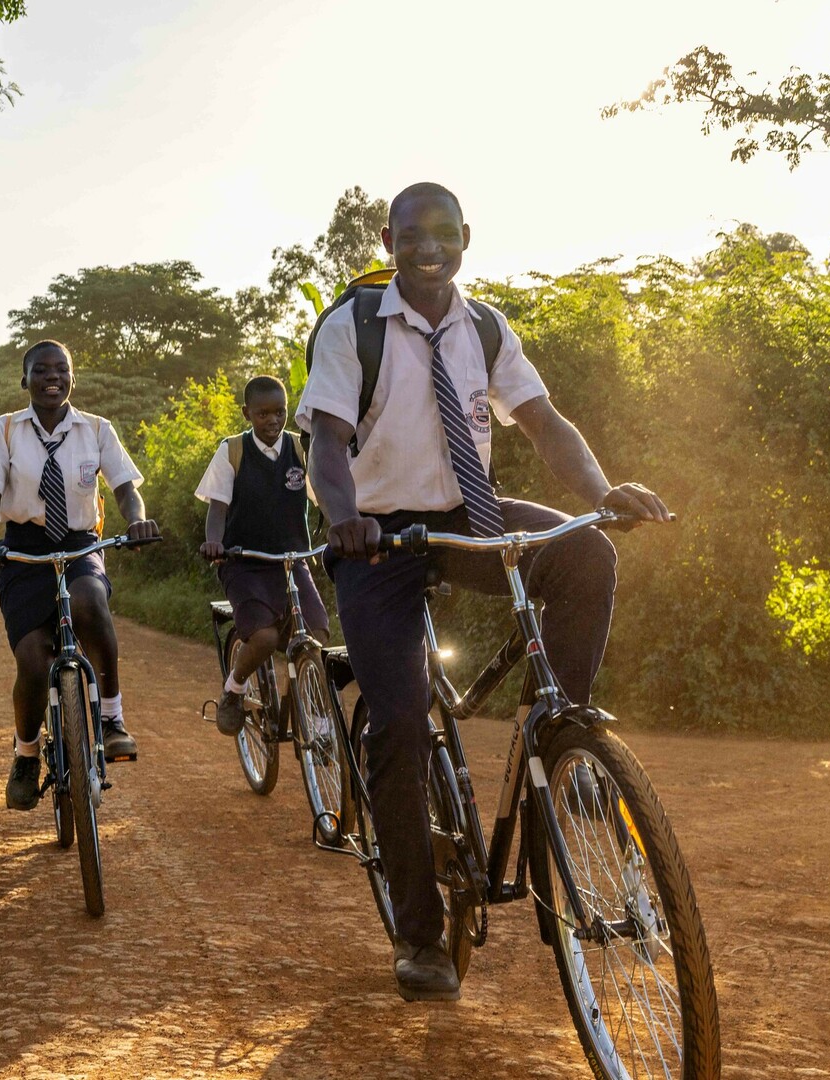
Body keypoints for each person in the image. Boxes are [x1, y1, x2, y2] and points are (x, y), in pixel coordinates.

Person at [297, 183, 674, 1003]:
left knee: (585, 557)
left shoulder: (486, 327)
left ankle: (559, 738)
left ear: (464, 236)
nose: (426, 247)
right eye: (409, 235)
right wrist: (344, 517)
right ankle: (419, 931)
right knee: (397, 723)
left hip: (466, 512)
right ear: (387, 240)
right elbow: (325, 440)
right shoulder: (351, 328)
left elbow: (542, 421)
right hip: (379, 540)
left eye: (441, 233)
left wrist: (600, 493)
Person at [0, 340, 160, 810]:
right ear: (23, 380)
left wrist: (137, 519)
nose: (53, 377)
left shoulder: (97, 429)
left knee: (91, 604)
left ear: (73, 377)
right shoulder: (4, 430)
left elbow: (126, 488)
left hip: (80, 544)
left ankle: (111, 717)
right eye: (41, 370)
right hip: (22, 552)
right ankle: (26, 754)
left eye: (62, 370)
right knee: (32, 660)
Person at [194, 375, 329, 735]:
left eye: (280, 412)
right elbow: (218, 508)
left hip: (292, 559)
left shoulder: (300, 450)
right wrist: (214, 542)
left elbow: (325, 497)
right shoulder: (233, 451)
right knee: (266, 638)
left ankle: (310, 706)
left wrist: (344, 525)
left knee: (316, 631)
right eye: (263, 413)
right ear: (247, 414)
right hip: (245, 562)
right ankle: (234, 688)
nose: (272, 420)